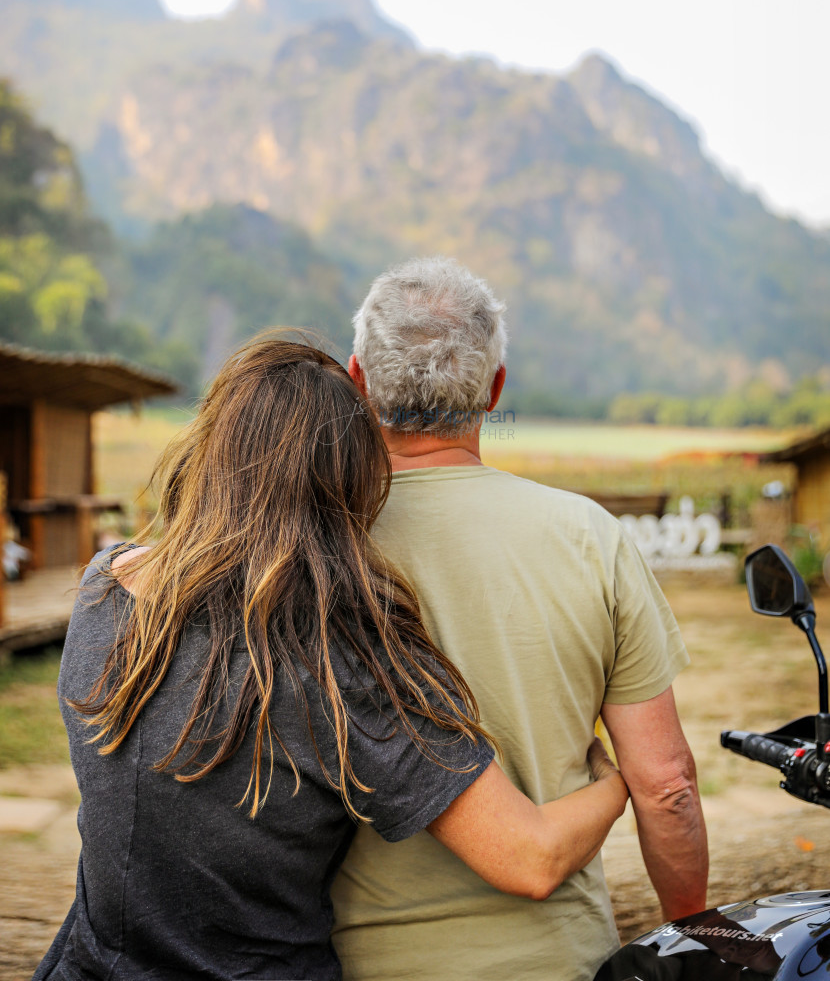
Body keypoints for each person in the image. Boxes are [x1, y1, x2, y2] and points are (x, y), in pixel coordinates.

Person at [34, 337, 628, 981]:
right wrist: (616, 784)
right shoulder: (334, 657)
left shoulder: (104, 585)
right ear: (346, 482)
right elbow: (530, 859)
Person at [331, 259, 709, 981]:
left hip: (357, 961)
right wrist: (693, 929)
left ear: (358, 379)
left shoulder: (318, 542)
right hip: (558, 958)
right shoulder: (589, 536)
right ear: (495, 388)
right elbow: (665, 783)